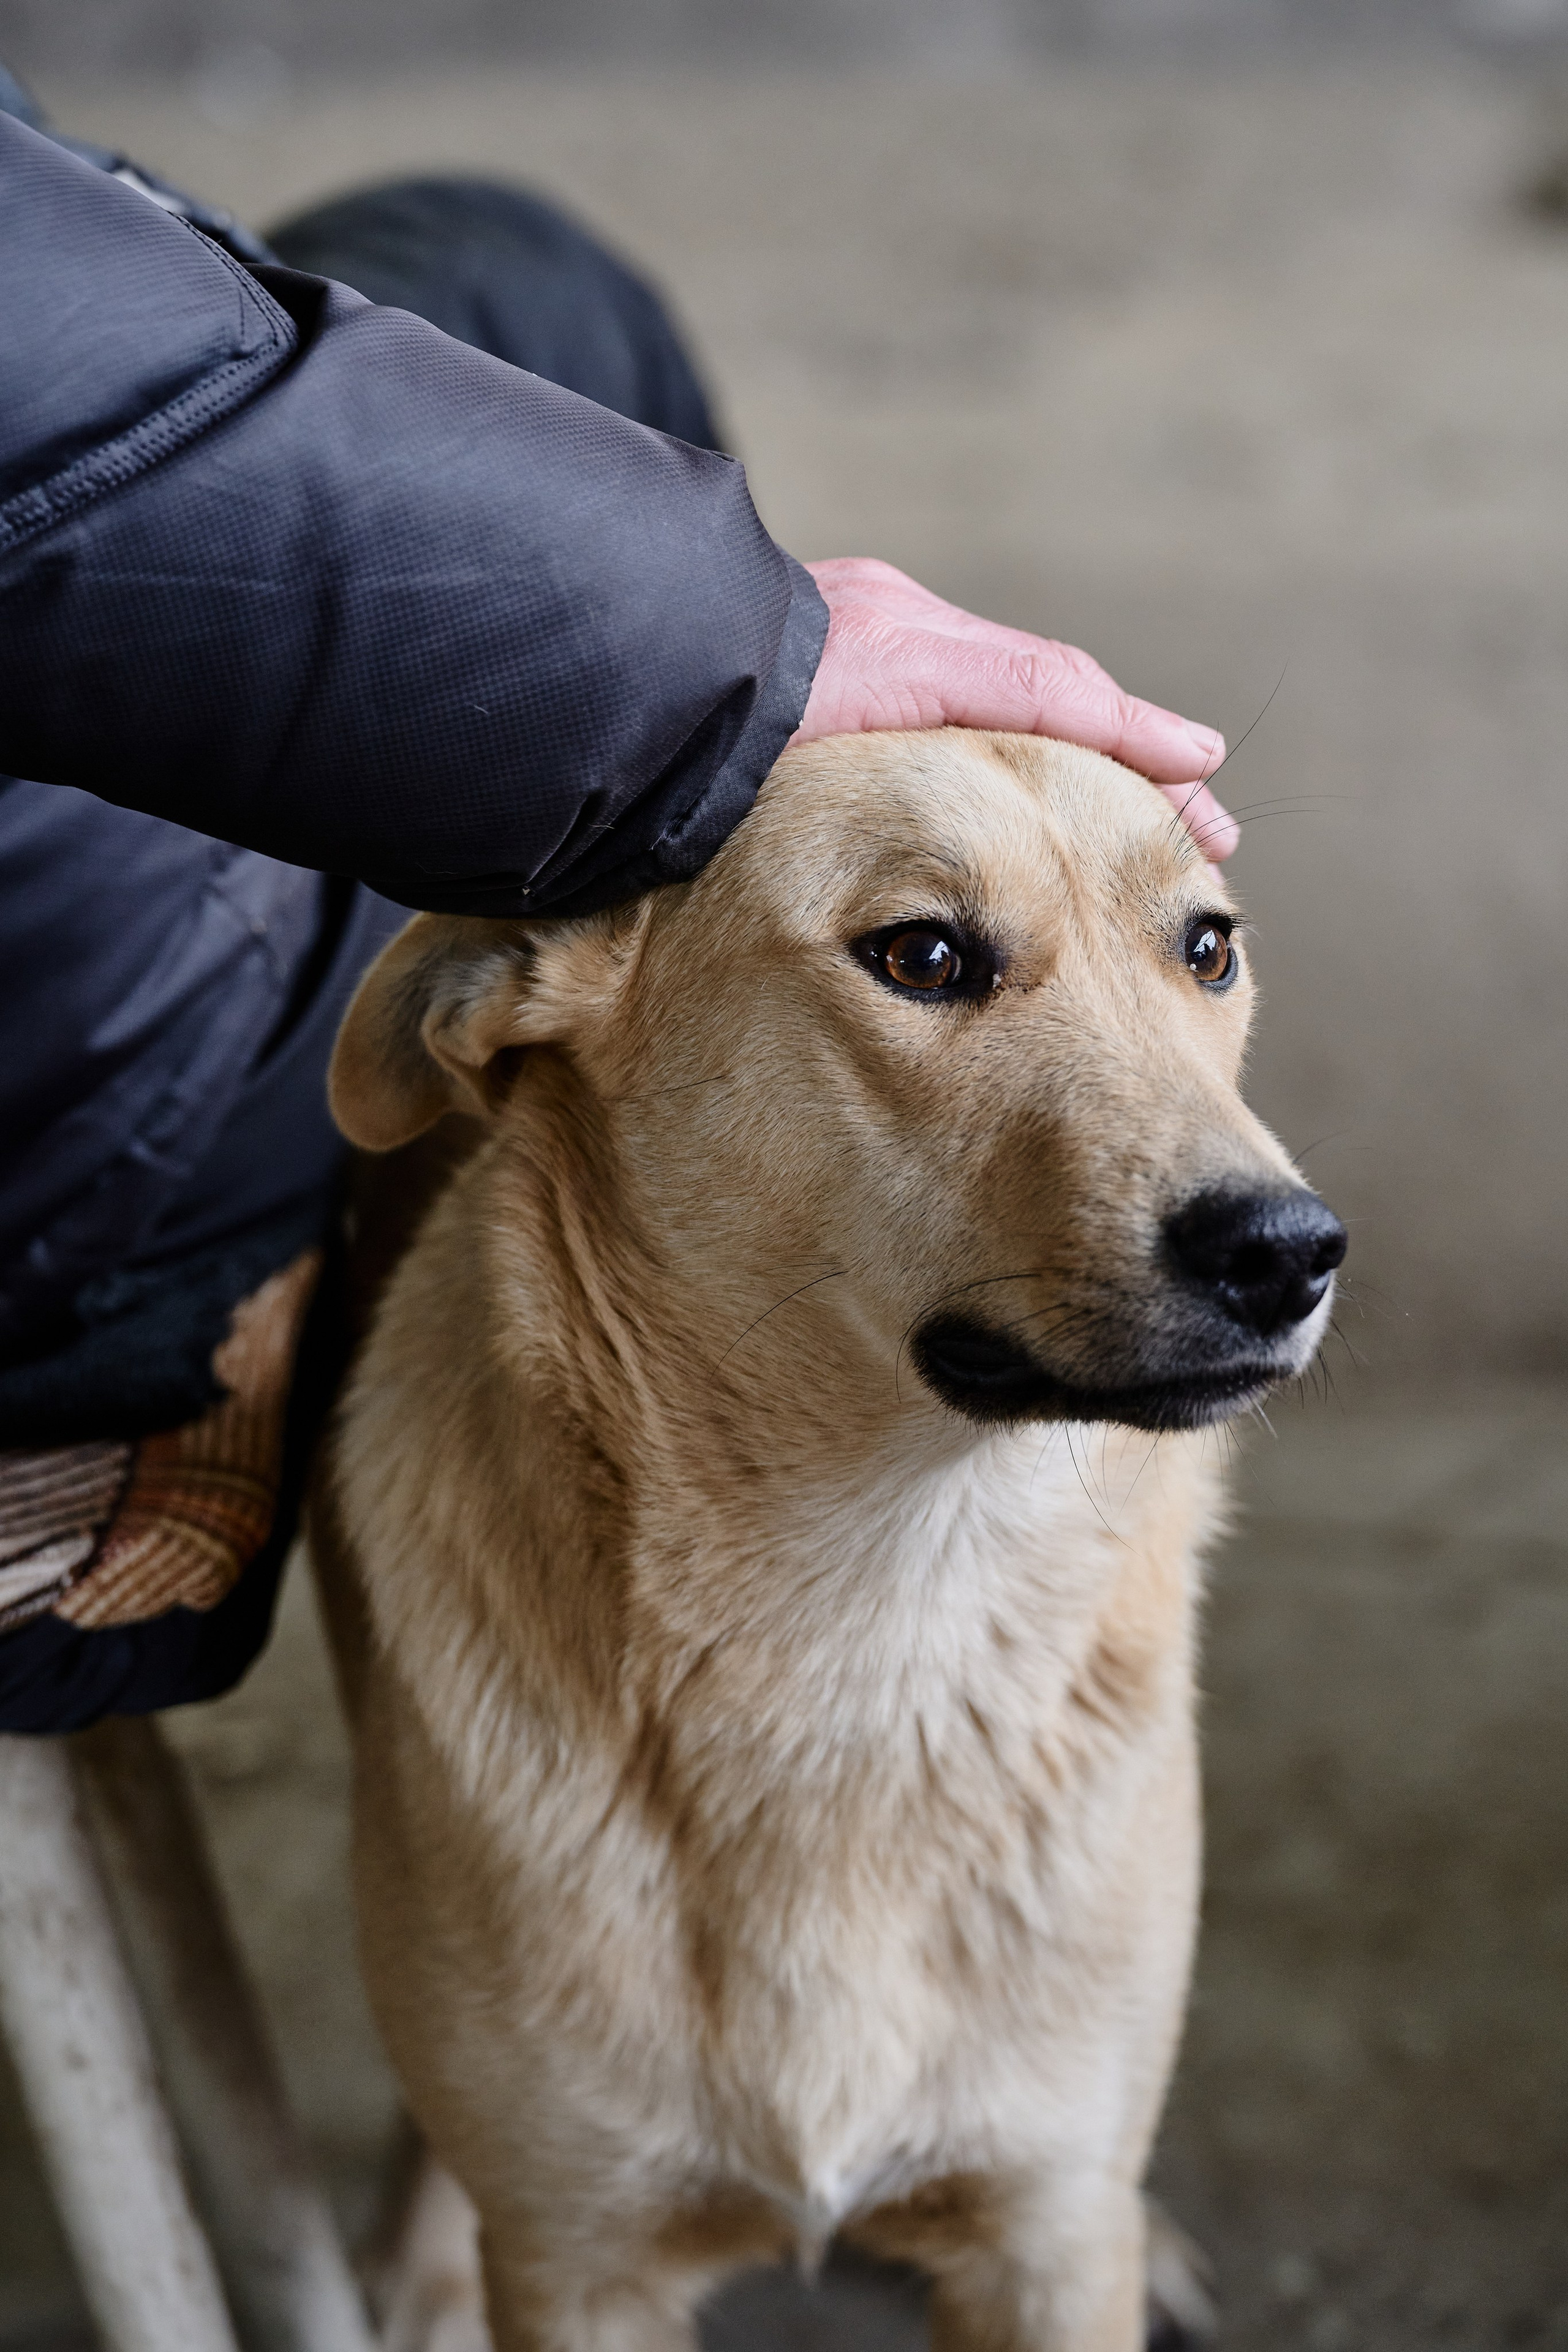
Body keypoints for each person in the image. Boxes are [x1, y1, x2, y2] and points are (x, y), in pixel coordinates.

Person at [0, 92, 1233, 1732]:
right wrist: (691, 652)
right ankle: (152, 1323)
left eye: (1202, 944)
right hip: (53, 1138)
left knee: (476, 265)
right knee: (523, 300)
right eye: (932, 954)